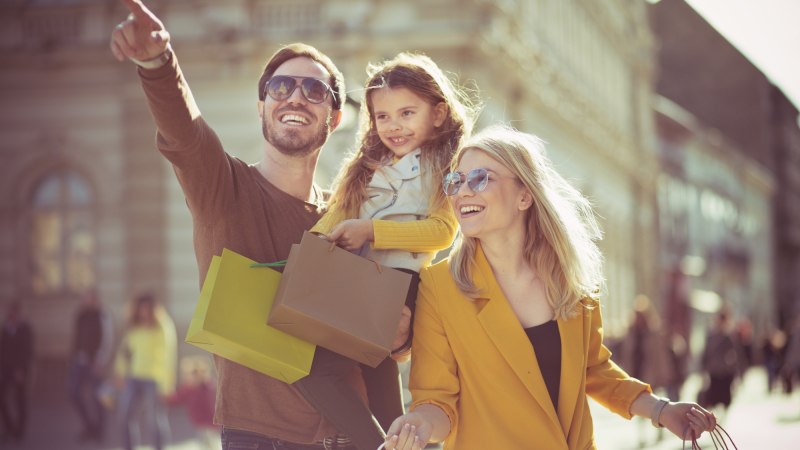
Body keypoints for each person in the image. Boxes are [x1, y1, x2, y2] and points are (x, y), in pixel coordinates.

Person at [109, 1, 410, 448]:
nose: (294, 97)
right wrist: (157, 62)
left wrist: (399, 336)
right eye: (281, 86)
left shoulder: (350, 219)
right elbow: (184, 131)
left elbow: (372, 340)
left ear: (334, 118)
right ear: (262, 104)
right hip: (260, 438)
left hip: (354, 437)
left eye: (313, 90)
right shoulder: (222, 187)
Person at [383, 125, 717, 450]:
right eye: (455, 181)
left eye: (480, 178)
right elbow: (436, 399)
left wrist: (661, 410)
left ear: (524, 195)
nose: (462, 192)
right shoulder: (440, 287)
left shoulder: (572, 279)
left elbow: (593, 370)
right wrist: (419, 426)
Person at [297, 52, 477, 449]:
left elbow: (443, 231)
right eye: (382, 117)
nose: (393, 126)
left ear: (439, 113)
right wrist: (312, 247)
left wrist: (370, 231)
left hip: (396, 284)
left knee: (313, 371)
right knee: (379, 387)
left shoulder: (445, 166)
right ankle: (405, 443)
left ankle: (372, 444)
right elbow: (337, 215)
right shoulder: (365, 166)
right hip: (355, 282)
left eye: (407, 113)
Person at [114, 292, 177, 450]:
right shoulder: (134, 327)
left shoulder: (163, 325)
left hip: (154, 379)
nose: (144, 312)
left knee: (154, 420)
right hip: (133, 377)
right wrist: (119, 371)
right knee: (125, 417)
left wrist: (168, 384)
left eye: (147, 308)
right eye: (141, 308)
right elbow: (125, 351)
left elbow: (170, 354)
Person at [67, 289, 114, 442]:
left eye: (90, 299)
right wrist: (74, 356)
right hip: (79, 361)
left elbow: (108, 339)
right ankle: (89, 426)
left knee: (98, 397)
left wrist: (101, 360)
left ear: (95, 300)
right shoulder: (81, 315)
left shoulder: (102, 315)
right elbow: (76, 337)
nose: (87, 301)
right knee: (73, 393)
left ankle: (100, 431)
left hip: (95, 363)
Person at [166, 355, 220, 450]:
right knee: (205, 444)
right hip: (200, 423)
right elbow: (176, 399)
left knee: (210, 444)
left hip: (209, 423)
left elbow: (214, 404)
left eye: (200, 373)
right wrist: (165, 397)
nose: (195, 377)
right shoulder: (189, 389)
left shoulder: (207, 387)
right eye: (193, 374)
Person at [0, 301, 34, 442]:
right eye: (10, 313)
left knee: (20, 400)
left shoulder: (25, 329)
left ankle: (19, 431)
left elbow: (28, 352)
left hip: (20, 370)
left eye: (15, 313)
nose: (12, 315)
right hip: (6, 369)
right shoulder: (5, 329)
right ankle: (9, 426)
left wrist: (22, 370)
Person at [699, 308, 741, 415]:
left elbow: (736, 355)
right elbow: (705, 353)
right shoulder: (711, 336)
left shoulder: (729, 337)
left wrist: (735, 371)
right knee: (714, 399)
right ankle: (716, 419)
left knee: (724, 399)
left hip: (725, 373)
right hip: (714, 372)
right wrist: (703, 369)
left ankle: (721, 419)